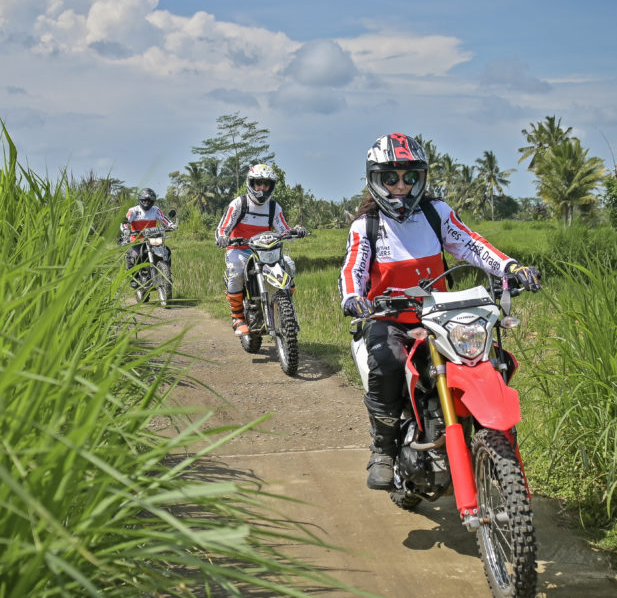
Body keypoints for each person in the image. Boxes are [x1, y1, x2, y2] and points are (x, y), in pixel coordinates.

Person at [339, 132, 541, 490]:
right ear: (375, 180)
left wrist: (510, 268)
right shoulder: (366, 226)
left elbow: (472, 245)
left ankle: (489, 441)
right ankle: (383, 449)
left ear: (421, 178)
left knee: (494, 360)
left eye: (410, 177)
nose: (401, 186)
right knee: (386, 364)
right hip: (389, 318)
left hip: (439, 318)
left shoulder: (436, 214)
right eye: (391, 178)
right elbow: (353, 268)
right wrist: (354, 297)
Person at [215, 163, 308, 335]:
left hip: (266, 252)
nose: (262, 188)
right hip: (239, 249)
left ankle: (286, 310)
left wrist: (296, 231)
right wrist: (222, 238)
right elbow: (223, 228)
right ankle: (238, 317)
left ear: (271, 186)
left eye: (266, 184)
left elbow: (284, 229)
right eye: (258, 183)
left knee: (289, 264)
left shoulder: (273, 207)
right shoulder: (239, 204)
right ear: (251, 184)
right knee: (236, 270)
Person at [121, 187, 175, 287]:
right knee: (135, 256)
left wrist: (171, 225)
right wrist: (126, 230)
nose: (147, 203)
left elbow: (164, 219)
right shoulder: (133, 210)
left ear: (153, 201)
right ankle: (134, 278)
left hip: (153, 239)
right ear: (140, 200)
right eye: (145, 200)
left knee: (166, 250)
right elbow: (125, 222)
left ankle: (167, 275)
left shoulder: (155, 210)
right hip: (137, 240)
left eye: (149, 201)